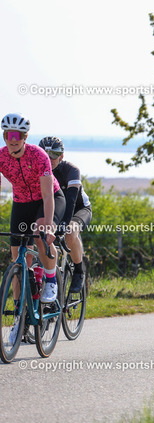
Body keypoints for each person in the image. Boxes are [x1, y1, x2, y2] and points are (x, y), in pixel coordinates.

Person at [1, 113, 65, 343]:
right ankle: (19, 318)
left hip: (48, 199)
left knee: (39, 233)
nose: (13, 139)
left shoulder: (38, 156)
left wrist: (48, 226)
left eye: (17, 135)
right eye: (8, 135)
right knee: (17, 260)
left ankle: (51, 280)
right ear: (4, 136)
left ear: (25, 137)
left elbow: (47, 196)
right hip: (21, 203)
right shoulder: (1, 157)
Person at [39, 137, 92, 293]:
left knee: (70, 231)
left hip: (78, 208)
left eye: (54, 154)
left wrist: (62, 226)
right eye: (45, 154)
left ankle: (79, 271)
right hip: (55, 208)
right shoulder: (37, 170)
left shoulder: (71, 170)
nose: (50, 158)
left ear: (61, 156)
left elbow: (71, 201)